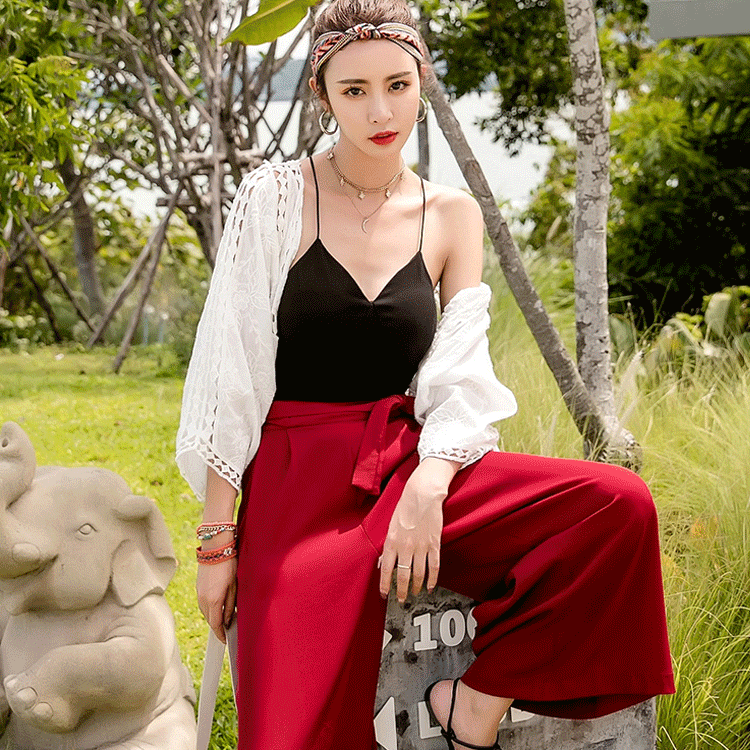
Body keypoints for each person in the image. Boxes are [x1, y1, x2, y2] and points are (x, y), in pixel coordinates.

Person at [176, 1, 675, 748]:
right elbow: (232, 376)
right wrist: (218, 544)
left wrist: (430, 483)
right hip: (297, 482)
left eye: (398, 85)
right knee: (295, 730)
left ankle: (473, 707)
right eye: (354, 90)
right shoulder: (274, 198)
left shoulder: (451, 214)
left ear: (422, 82)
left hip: (408, 460)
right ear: (321, 95)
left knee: (615, 506)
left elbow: (459, 370)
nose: (380, 111)